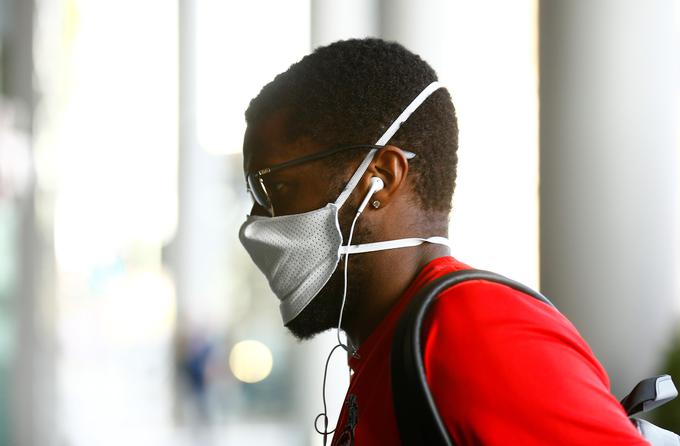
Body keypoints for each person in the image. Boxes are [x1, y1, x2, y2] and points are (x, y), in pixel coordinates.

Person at [238, 38, 648, 445]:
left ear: (379, 177)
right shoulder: (389, 341)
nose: (254, 223)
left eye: (273, 188)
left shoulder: (469, 331)